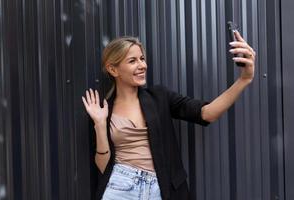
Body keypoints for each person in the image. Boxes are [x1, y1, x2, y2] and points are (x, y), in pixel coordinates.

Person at [82, 32, 256, 200]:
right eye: (132, 61)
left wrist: (244, 79)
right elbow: (103, 167)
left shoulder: (159, 96)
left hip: (161, 187)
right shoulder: (104, 110)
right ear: (113, 69)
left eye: (142, 59)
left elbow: (207, 114)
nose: (142, 65)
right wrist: (99, 123)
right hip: (120, 186)